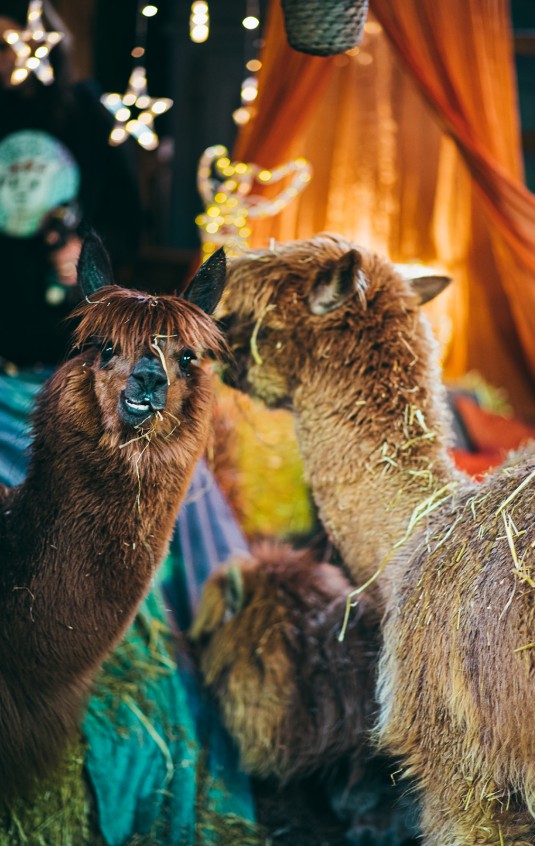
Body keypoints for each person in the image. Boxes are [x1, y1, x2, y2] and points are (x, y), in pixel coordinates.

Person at [0, 4, 259, 843]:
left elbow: (125, 216)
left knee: (192, 527)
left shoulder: (85, 118)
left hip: (66, 357)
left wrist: (78, 250)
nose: (17, 49)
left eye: (25, 32)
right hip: (10, 365)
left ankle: (222, 694)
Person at [0, 0, 141, 368]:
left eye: (6, 44)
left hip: (65, 336)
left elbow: (128, 218)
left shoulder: (85, 114)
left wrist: (88, 253)